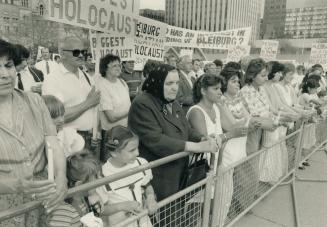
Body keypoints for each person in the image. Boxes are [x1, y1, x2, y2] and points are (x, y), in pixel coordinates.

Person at [128, 64, 218, 226]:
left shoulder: (172, 102)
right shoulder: (142, 103)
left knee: (177, 216)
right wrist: (194, 147)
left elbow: (187, 129)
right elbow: (155, 140)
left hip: (179, 171)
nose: (174, 88)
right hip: (159, 175)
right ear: (157, 82)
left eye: (177, 83)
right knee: (166, 219)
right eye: (169, 84)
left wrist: (201, 138)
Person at [0, 39, 67, 227]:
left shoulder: (35, 101)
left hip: (42, 198)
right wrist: (15, 185)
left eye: (8, 65)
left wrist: (61, 177)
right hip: (4, 208)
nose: (4, 74)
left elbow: (53, 143)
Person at [187, 73, 248, 227]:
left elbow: (223, 134)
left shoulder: (216, 107)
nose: (221, 92)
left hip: (215, 165)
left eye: (220, 88)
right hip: (199, 168)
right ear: (203, 91)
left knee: (214, 206)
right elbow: (206, 142)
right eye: (215, 89)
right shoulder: (196, 111)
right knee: (198, 209)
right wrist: (230, 135)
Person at [42, 36, 101, 157]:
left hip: (92, 138)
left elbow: (96, 106)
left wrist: (97, 130)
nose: (81, 55)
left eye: (83, 52)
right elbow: (55, 117)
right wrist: (88, 103)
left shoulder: (86, 76)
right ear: (62, 54)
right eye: (76, 52)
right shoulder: (53, 79)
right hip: (70, 140)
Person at [95, 126, 157, 227]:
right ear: (114, 153)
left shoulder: (141, 163)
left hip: (143, 221)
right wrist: (123, 206)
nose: (137, 153)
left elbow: (147, 186)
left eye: (137, 148)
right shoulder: (102, 175)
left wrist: (150, 198)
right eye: (131, 150)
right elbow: (100, 210)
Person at [97, 54, 131, 162]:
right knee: (112, 163)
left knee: (124, 163)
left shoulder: (122, 82)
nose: (118, 68)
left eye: (119, 65)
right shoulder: (102, 85)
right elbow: (111, 117)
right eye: (114, 66)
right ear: (105, 68)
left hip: (126, 130)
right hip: (111, 134)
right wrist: (131, 111)